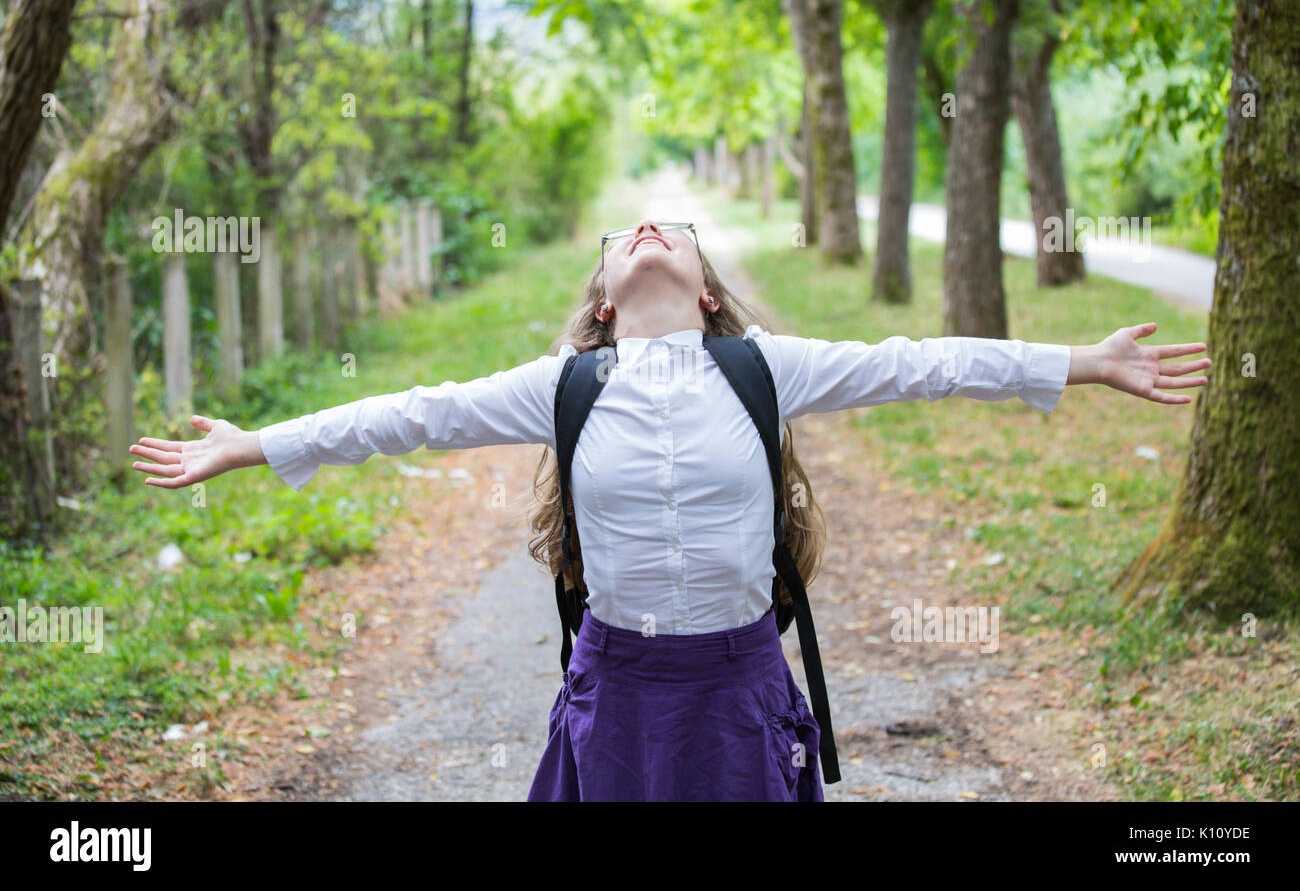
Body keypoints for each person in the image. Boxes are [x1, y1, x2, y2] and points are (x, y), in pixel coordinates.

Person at [129, 219, 1211, 801]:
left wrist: (1081, 361)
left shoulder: (760, 365)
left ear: (703, 289)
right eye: (623, 232)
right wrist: (250, 445)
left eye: (673, 230)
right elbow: (404, 414)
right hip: (619, 690)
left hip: (738, 686)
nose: (647, 229)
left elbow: (917, 362)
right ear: (603, 296)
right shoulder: (560, 383)